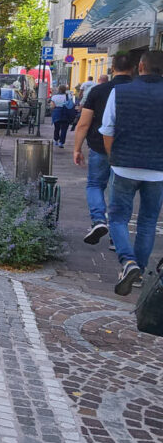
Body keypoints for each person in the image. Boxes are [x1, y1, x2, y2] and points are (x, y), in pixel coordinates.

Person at [100, 50, 163, 295]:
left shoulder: (120, 92)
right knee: (148, 222)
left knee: (117, 218)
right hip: (158, 170)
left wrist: (112, 157)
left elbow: (108, 130)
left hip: (124, 165)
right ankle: (139, 270)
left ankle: (128, 262)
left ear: (141, 66)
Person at [73, 53, 134, 245]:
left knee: (95, 185)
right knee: (122, 192)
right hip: (126, 150)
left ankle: (99, 220)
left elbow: (83, 123)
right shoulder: (137, 90)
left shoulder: (98, 91)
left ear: (112, 68)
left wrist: (77, 148)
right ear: (133, 68)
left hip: (99, 147)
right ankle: (118, 237)